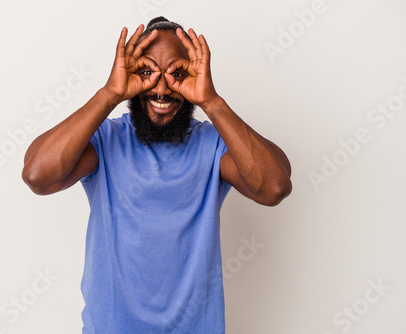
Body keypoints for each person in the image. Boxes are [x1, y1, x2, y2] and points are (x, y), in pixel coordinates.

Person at [22, 16, 292, 334]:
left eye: (177, 73)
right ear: (131, 74)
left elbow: (274, 186)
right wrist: (109, 93)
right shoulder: (105, 139)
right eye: (147, 72)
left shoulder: (214, 143)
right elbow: (38, 175)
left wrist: (212, 102)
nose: (162, 89)